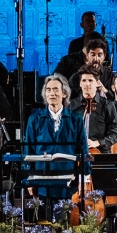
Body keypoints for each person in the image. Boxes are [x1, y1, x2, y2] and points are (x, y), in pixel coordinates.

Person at [22, 74, 88, 204]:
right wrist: (29, 179)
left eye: (55, 89)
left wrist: (83, 179)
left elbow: (84, 150)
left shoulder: (76, 119)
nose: (52, 93)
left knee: (65, 220)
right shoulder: (34, 119)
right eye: (48, 90)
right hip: (41, 179)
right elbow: (28, 150)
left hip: (68, 178)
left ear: (64, 94)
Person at [76, 67, 117, 154]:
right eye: (84, 81)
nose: (87, 84)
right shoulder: (72, 105)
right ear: (80, 83)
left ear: (97, 83)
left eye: (90, 80)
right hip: (77, 153)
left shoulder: (107, 105)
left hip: (101, 153)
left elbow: (114, 134)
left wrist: (97, 143)